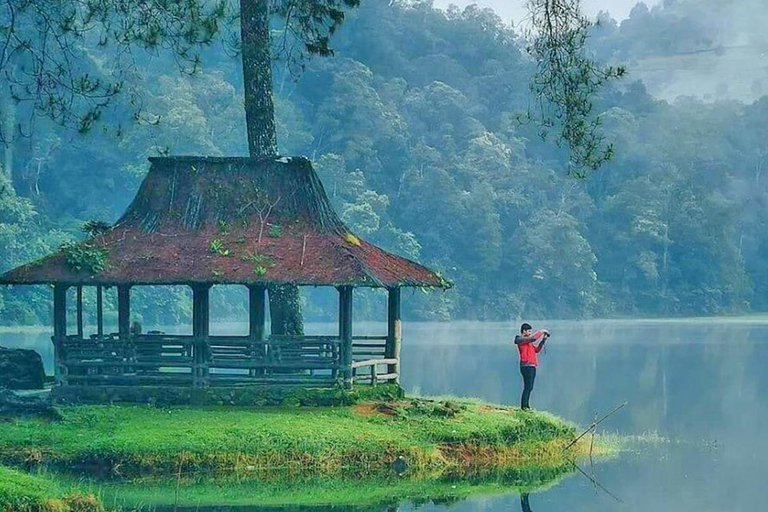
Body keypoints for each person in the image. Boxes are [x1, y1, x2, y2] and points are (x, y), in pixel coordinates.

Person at [514, 322, 550, 410]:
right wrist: (541, 331)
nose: (530, 333)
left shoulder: (528, 342)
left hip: (532, 366)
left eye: (530, 331)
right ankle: (524, 406)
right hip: (526, 366)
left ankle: (526, 406)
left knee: (530, 387)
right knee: (528, 386)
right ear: (524, 331)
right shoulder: (520, 339)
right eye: (529, 331)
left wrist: (543, 340)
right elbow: (533, 338)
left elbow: (536, 350)